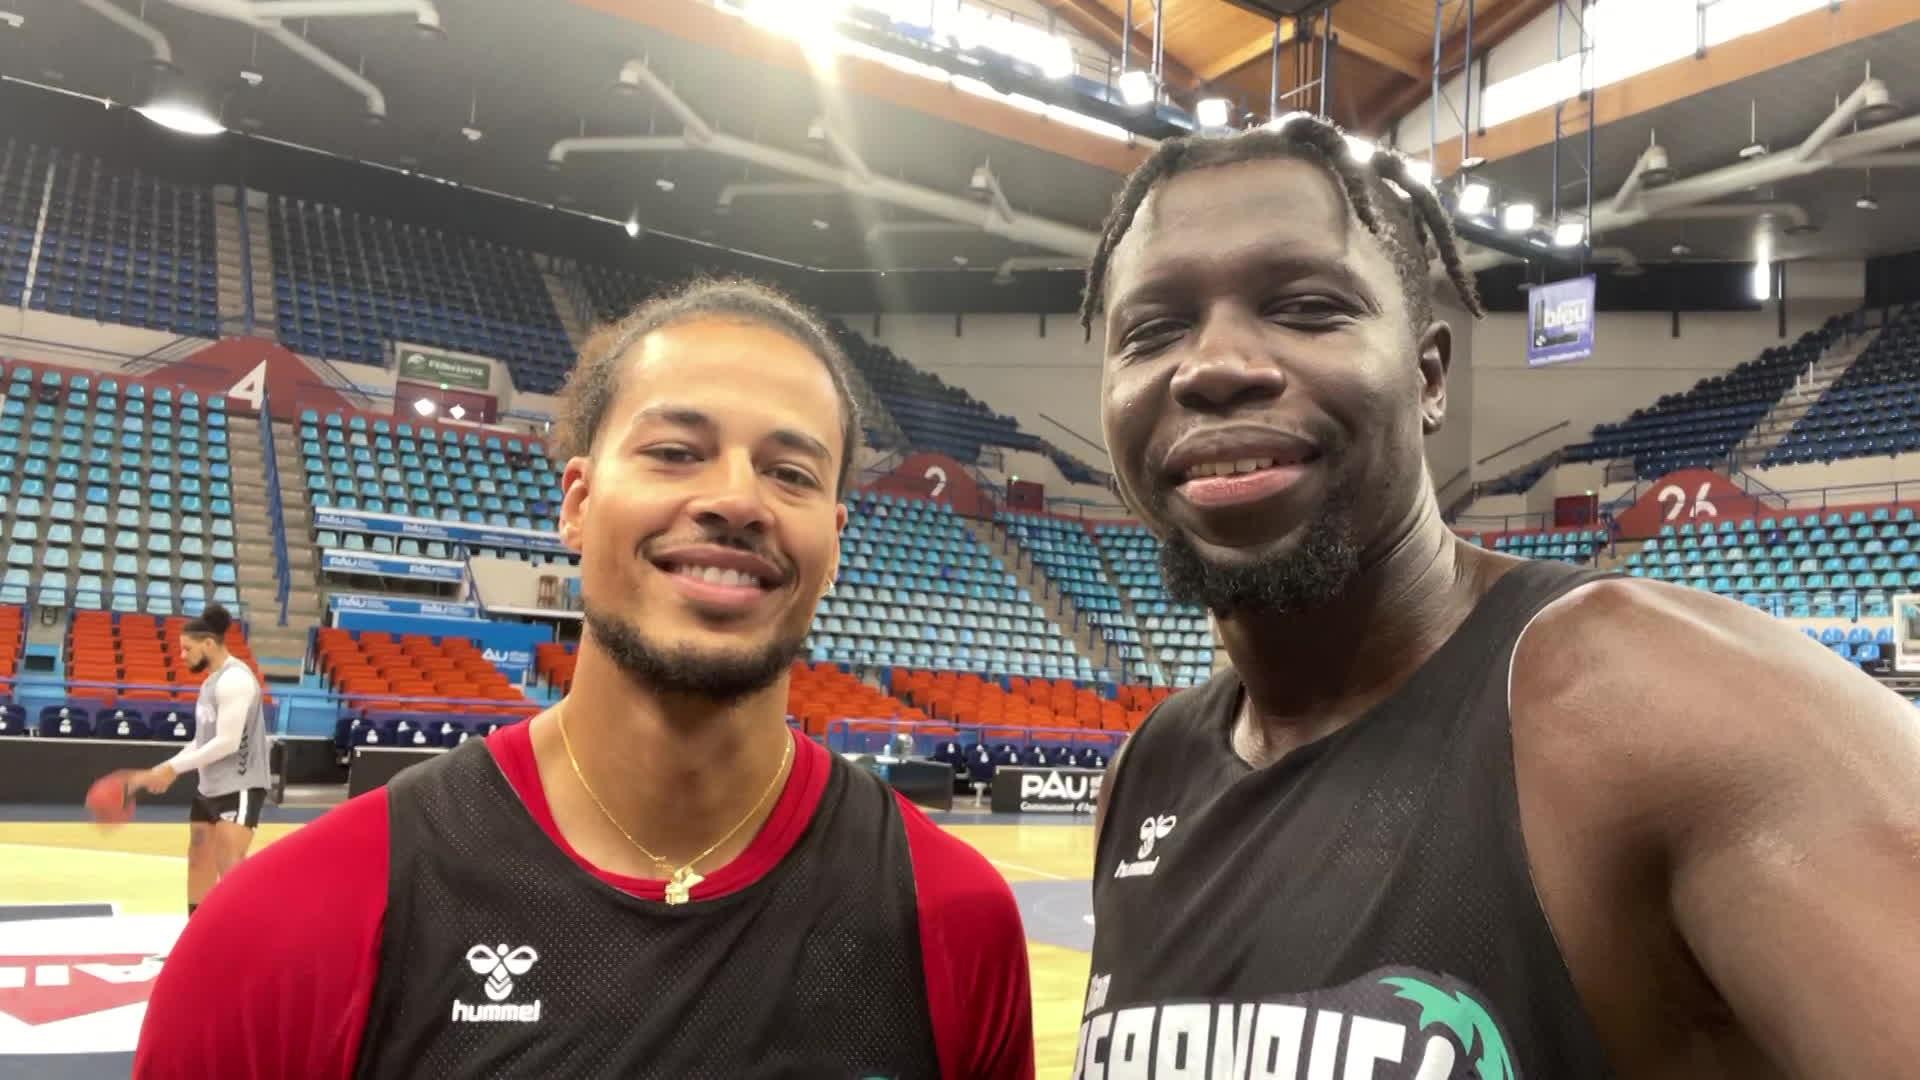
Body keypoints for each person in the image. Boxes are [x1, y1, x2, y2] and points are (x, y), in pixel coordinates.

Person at [1074, 116, 1920, 1078]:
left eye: (1306, 307)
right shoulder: (1145, 774)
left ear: (1429, 376)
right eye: (1151, 330)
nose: (1215, 365)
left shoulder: (1650, 702)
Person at [135, 278, 1033, 1079]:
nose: (736, 500)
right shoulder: (288, 928)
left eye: (789, 472)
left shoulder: (953, 918)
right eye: (675, 451)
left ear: (835, 541)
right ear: (576, 501)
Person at [129, 602, 268, 915]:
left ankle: (238, 944)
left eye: (186, 649)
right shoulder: (210, 683)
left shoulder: (236, 680)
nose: (182, 656)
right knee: (198, 861)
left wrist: (173, 768)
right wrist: (164, 768)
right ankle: (195, 934)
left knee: (230, 869)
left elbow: (228, 743)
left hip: (239, 786)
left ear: (209, 644)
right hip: (209, 789)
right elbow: (201, 741)